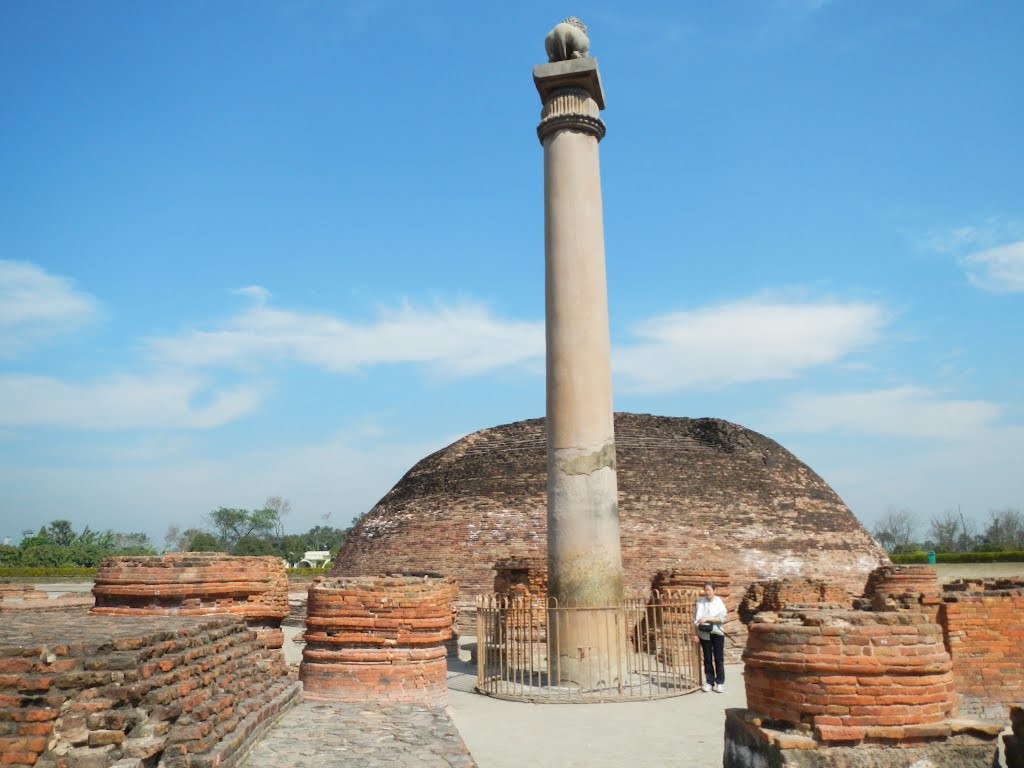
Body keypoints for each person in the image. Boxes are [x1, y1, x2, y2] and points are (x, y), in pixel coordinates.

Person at [693, 581, 727, 692]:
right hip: (704, 634)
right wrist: (695, 634)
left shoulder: (719, 602)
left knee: (719, 659)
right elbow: (695, 620)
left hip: (717, 633)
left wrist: (708, 619)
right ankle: (709, 681)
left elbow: (722, 618)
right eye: (706, 590)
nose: (707, 592)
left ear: (714, 591)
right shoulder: (700, 603)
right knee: (707, 659)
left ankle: (720, 682)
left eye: (709, 590)